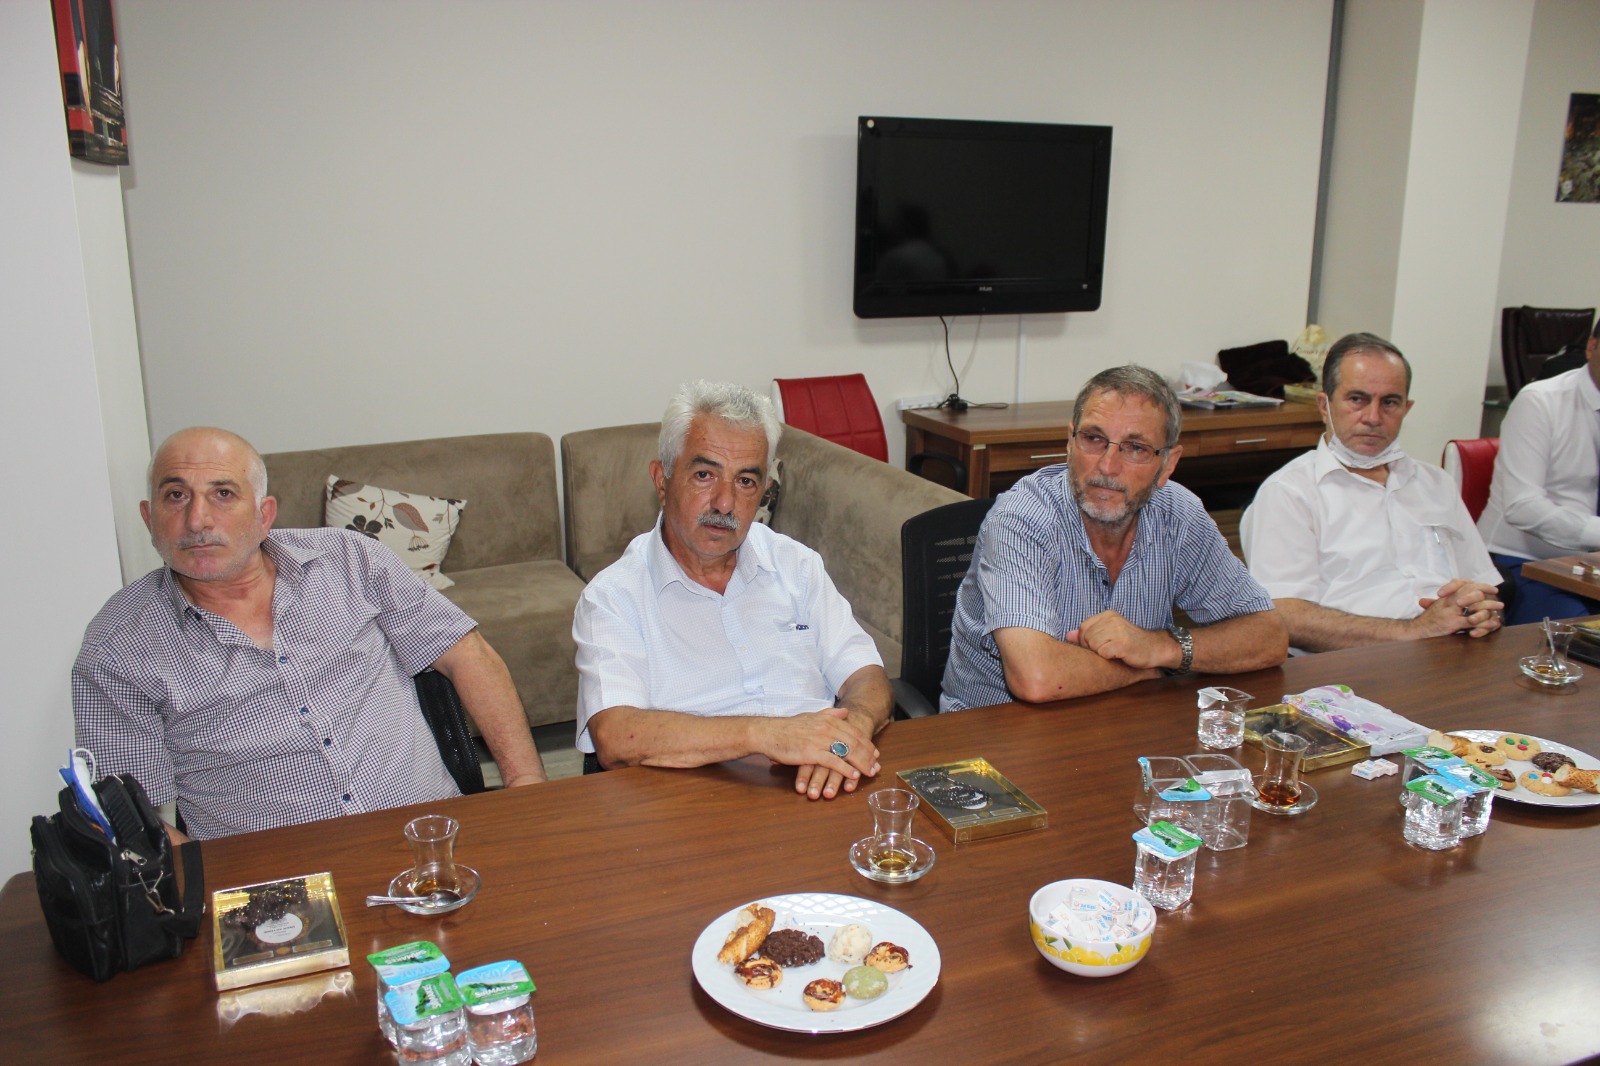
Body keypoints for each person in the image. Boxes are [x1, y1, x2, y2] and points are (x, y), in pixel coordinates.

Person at [73, 427, 546, 841]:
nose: (197, 520)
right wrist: (206, 894)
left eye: (223, 494)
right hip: (274, 884)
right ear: (148, 518)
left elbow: (465, 653)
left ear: (264, 514)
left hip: (431, 837)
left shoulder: (349, 559)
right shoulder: (117, 645)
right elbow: (130, 814)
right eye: (176, 495)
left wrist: (526, 785)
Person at [573, 381, 892, 800]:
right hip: (696, 804)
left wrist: (848, 733)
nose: (724, 503)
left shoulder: (796, 565)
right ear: (662, 481)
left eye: (745, 481)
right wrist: (768, 735)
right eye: (704, 475)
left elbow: (867, 676)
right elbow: (616, 737)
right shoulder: (614, 597)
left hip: (819, 786)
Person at [941, 365, 1286, 712]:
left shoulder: (1178, 515)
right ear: (1070, 442)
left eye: (1135, 448)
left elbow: (1269, 637)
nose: (1107, 467)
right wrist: (1146, 670)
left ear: (1167, 465)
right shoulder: (1022, 519)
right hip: (996, 730)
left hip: (1123, 721)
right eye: (1093, 439)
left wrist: (1161, 648)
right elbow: (1037, 678)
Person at [1240, 333, 1503, 651]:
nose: (1373, 418)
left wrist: (1481, 611)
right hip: (1351, 665)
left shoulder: (1436, 483)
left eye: (1389, 402)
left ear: (1406, 408)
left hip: (1453, 651)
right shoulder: (1289, 493)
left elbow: (1484, 585)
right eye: (1357, 399)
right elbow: (1286, 617)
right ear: (1324, 406)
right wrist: (1417, 630)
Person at [1478, 318, 1600, 624]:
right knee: (1584, 638)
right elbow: (1523, 508)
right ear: (1591, 347)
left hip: (1588, 567)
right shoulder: (1540, 402)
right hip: (1520, 563)